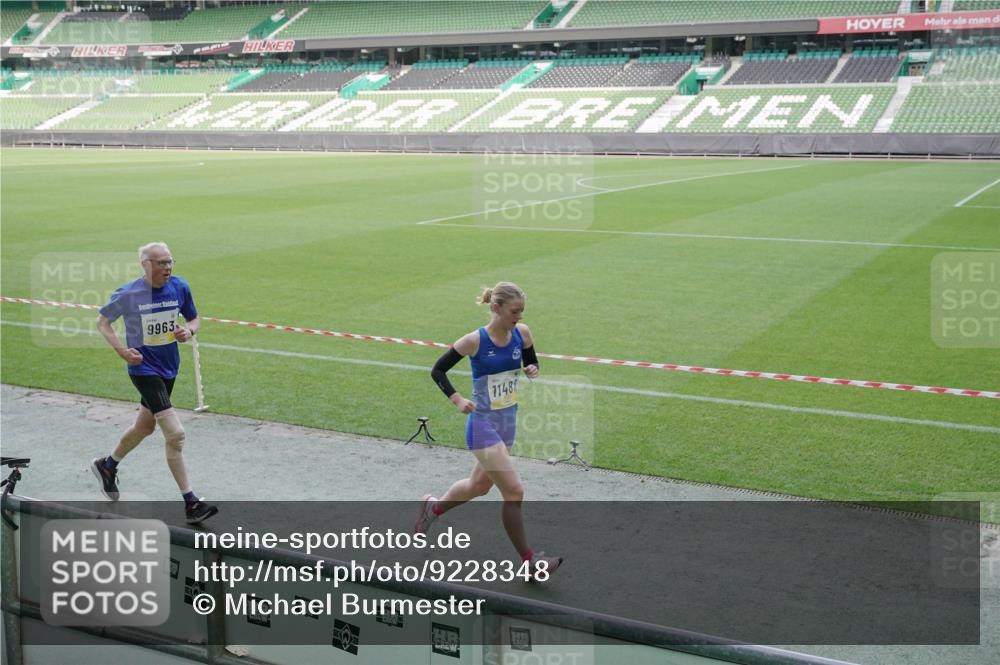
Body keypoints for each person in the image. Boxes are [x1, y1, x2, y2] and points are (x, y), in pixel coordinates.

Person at [416, 282, 562, 581]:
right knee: (514, 491)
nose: (519, 316)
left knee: (478, 486)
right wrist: (458, 400)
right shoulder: (475, 341)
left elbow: (530, 360)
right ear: (495, 308)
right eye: (514, 311)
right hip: (482, 426)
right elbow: (438, 370)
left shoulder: (522, 333)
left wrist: (533, 368)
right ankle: (529, 561)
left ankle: (432, 509)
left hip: (508, 422)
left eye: (522, 311)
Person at [91, 242, 218, 524]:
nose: (167, 267)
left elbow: (194, 318)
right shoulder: (128, 293)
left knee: (145, 427)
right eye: (161, 263)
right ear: (145, 265)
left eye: (170, 261)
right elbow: (103, 323)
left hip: (169, 367)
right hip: (143, 369)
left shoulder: (179, 287)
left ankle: (107, 465)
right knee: (176, 434)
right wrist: (122, 351)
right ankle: (192, 503)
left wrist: (189, 330)